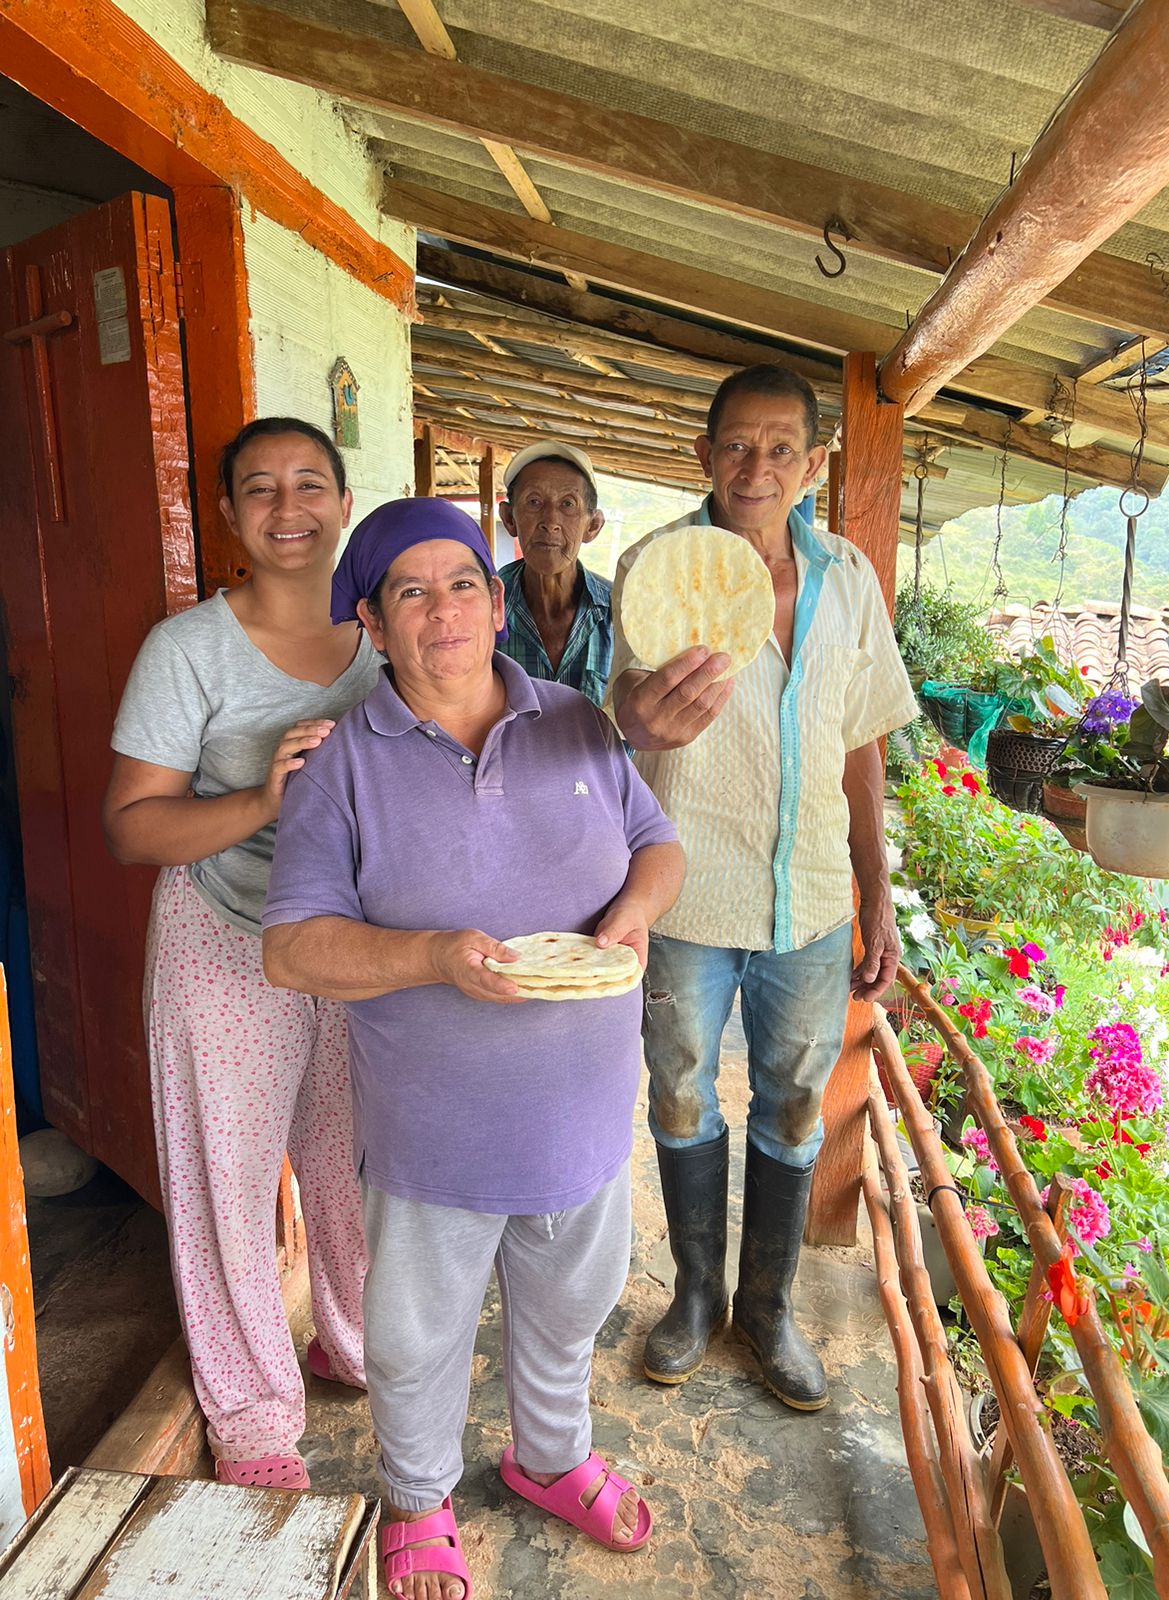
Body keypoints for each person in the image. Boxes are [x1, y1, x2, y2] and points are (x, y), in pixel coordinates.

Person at [261, 497, 684, 1600]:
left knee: (567, 1307)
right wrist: (432, 956)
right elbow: (293, 950)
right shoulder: (342, 765)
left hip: (584, 1112)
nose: (441, 608)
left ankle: (547, 1457)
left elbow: (657, 843)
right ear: (373, 621)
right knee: (413, 1335)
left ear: (497, 604)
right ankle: (415, 1494)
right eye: (410, 589)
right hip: (436, 1131)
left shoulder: (580, 722)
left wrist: (634, 911)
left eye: (461, 583)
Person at [608, 364, 918, 1411]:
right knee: (683, 1087)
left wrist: (878, 893)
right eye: (737, 444)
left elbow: (862, 741)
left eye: (782, 447)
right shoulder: (656, 565)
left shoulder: (852, 580)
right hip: (688, 897)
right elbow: (616, 717)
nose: (758, 466)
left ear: (816, 464)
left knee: (792, 1102)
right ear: (703, 456)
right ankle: (696, 1296)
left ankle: (768, 1306)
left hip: (813, 902)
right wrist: (641, 718)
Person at [102, 417, 378, 1488]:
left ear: (343, 504)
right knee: (226, 1174)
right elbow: (134, 824)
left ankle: (354, 1342)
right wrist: (262, 794)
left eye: (310, 483)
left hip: (355, 944)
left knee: (356, 1162)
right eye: (258, 488)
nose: (287, 506)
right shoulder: (188, 650)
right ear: (226, 515)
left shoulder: (387, 637)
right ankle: (256, 1413)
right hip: (223, 937)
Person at [495, 441, 612, 706]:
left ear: (592, 526)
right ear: (510, 519)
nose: (550, 522)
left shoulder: (622, 612)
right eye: (534, 502)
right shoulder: (480, 608)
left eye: (568, 504)